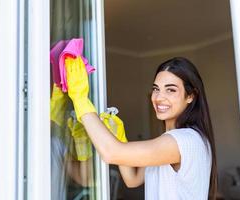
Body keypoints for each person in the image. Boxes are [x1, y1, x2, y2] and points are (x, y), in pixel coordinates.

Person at [65, 56, 217, 200]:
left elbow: (111, 153)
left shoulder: (184, 140)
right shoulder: (172, 141)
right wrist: (120, 138)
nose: (158, 97)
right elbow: (133, 179)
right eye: (156, 89)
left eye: (171, 90)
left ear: (190, 96)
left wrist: (80, 99)